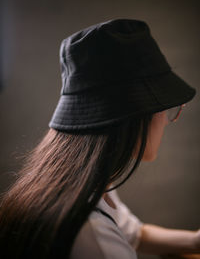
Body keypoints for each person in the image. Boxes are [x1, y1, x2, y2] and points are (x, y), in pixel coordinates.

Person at [0, 19, 199, 259]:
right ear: (133, 117)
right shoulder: (94, 237)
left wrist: (194, 241)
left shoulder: (82, 180)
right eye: (163, 109)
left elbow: (134, 234)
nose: (166, 120)